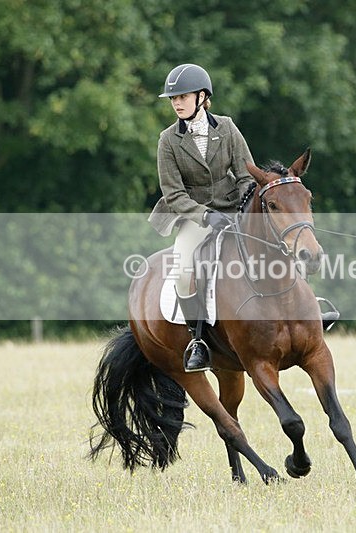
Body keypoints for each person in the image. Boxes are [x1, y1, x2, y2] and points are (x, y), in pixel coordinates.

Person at [148, 63, 256, 373]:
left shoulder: (227, 127)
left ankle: (307, 311)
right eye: (173, 98)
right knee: (184, 268)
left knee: (277, 240)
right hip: (192, 217)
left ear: (202, 96)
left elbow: (247, 174)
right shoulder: (168, 140)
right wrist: (205, 216)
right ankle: (198, 340)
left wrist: (243, 209)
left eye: (183, 96)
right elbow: (173, 194)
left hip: (234, 208)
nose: (177, 103)